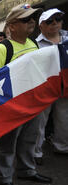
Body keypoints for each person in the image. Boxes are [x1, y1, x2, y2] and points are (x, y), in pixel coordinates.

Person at [0, 4, 51, 185]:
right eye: (25, 19)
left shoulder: (33, 44)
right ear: (12, 26)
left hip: (34, 104)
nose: (31, 21)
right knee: (8, 145)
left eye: (32, 18)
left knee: (29, 140)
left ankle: (27, 171)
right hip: (13, 108)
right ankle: (5, 179)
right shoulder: (2, 49)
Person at [35, 8, 68, 161]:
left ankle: (62, 146)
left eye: (58, 19)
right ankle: (35, 152)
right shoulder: (35, 44)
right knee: (39, 121)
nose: (55, 23)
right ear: (41, 25)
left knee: (64, 118)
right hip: (45, 88)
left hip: (65, 87)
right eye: (50, 21)